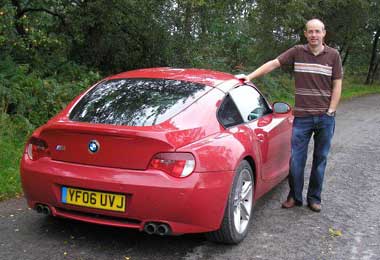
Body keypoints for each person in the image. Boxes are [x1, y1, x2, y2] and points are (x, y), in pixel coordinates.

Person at [242, 18, 343, 212]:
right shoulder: (297, 51)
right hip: (302, 117)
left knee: (320, 159)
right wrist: (250, 77)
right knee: (296, 160)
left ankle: (314, 198)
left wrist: (331, 110)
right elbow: (274, 63)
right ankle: (295, 196)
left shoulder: (333, 55)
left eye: (317, 31)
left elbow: (337, 83)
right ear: (305, 34)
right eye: (310, 32)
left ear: (324, 33)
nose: (314, 35)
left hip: (325, 118)